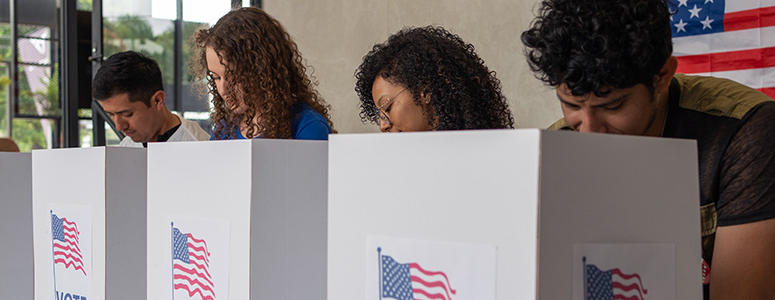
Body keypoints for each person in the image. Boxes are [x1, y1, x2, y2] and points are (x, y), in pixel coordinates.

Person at [521, 0, 775, 299]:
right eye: (572, 105)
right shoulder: (555, 147)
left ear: (662, 76)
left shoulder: (743, 131)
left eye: (613, 106)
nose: (589, 130)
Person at [191, 7, 335, 140]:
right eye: (216, 77)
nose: (223, 90)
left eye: (233, 78)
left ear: (261, 70)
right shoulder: (223, 131)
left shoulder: (308, 126)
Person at [355, 26, 514, 132]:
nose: (383, 125)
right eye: (379, 114)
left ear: (424, 91)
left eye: (387, 107)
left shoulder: (484, 157)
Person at [93, 51, 209, 147]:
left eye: (127, 114)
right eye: (111, 115)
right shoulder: (127, 146)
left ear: (158, 100)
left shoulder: (198, 147)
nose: (119, 127)